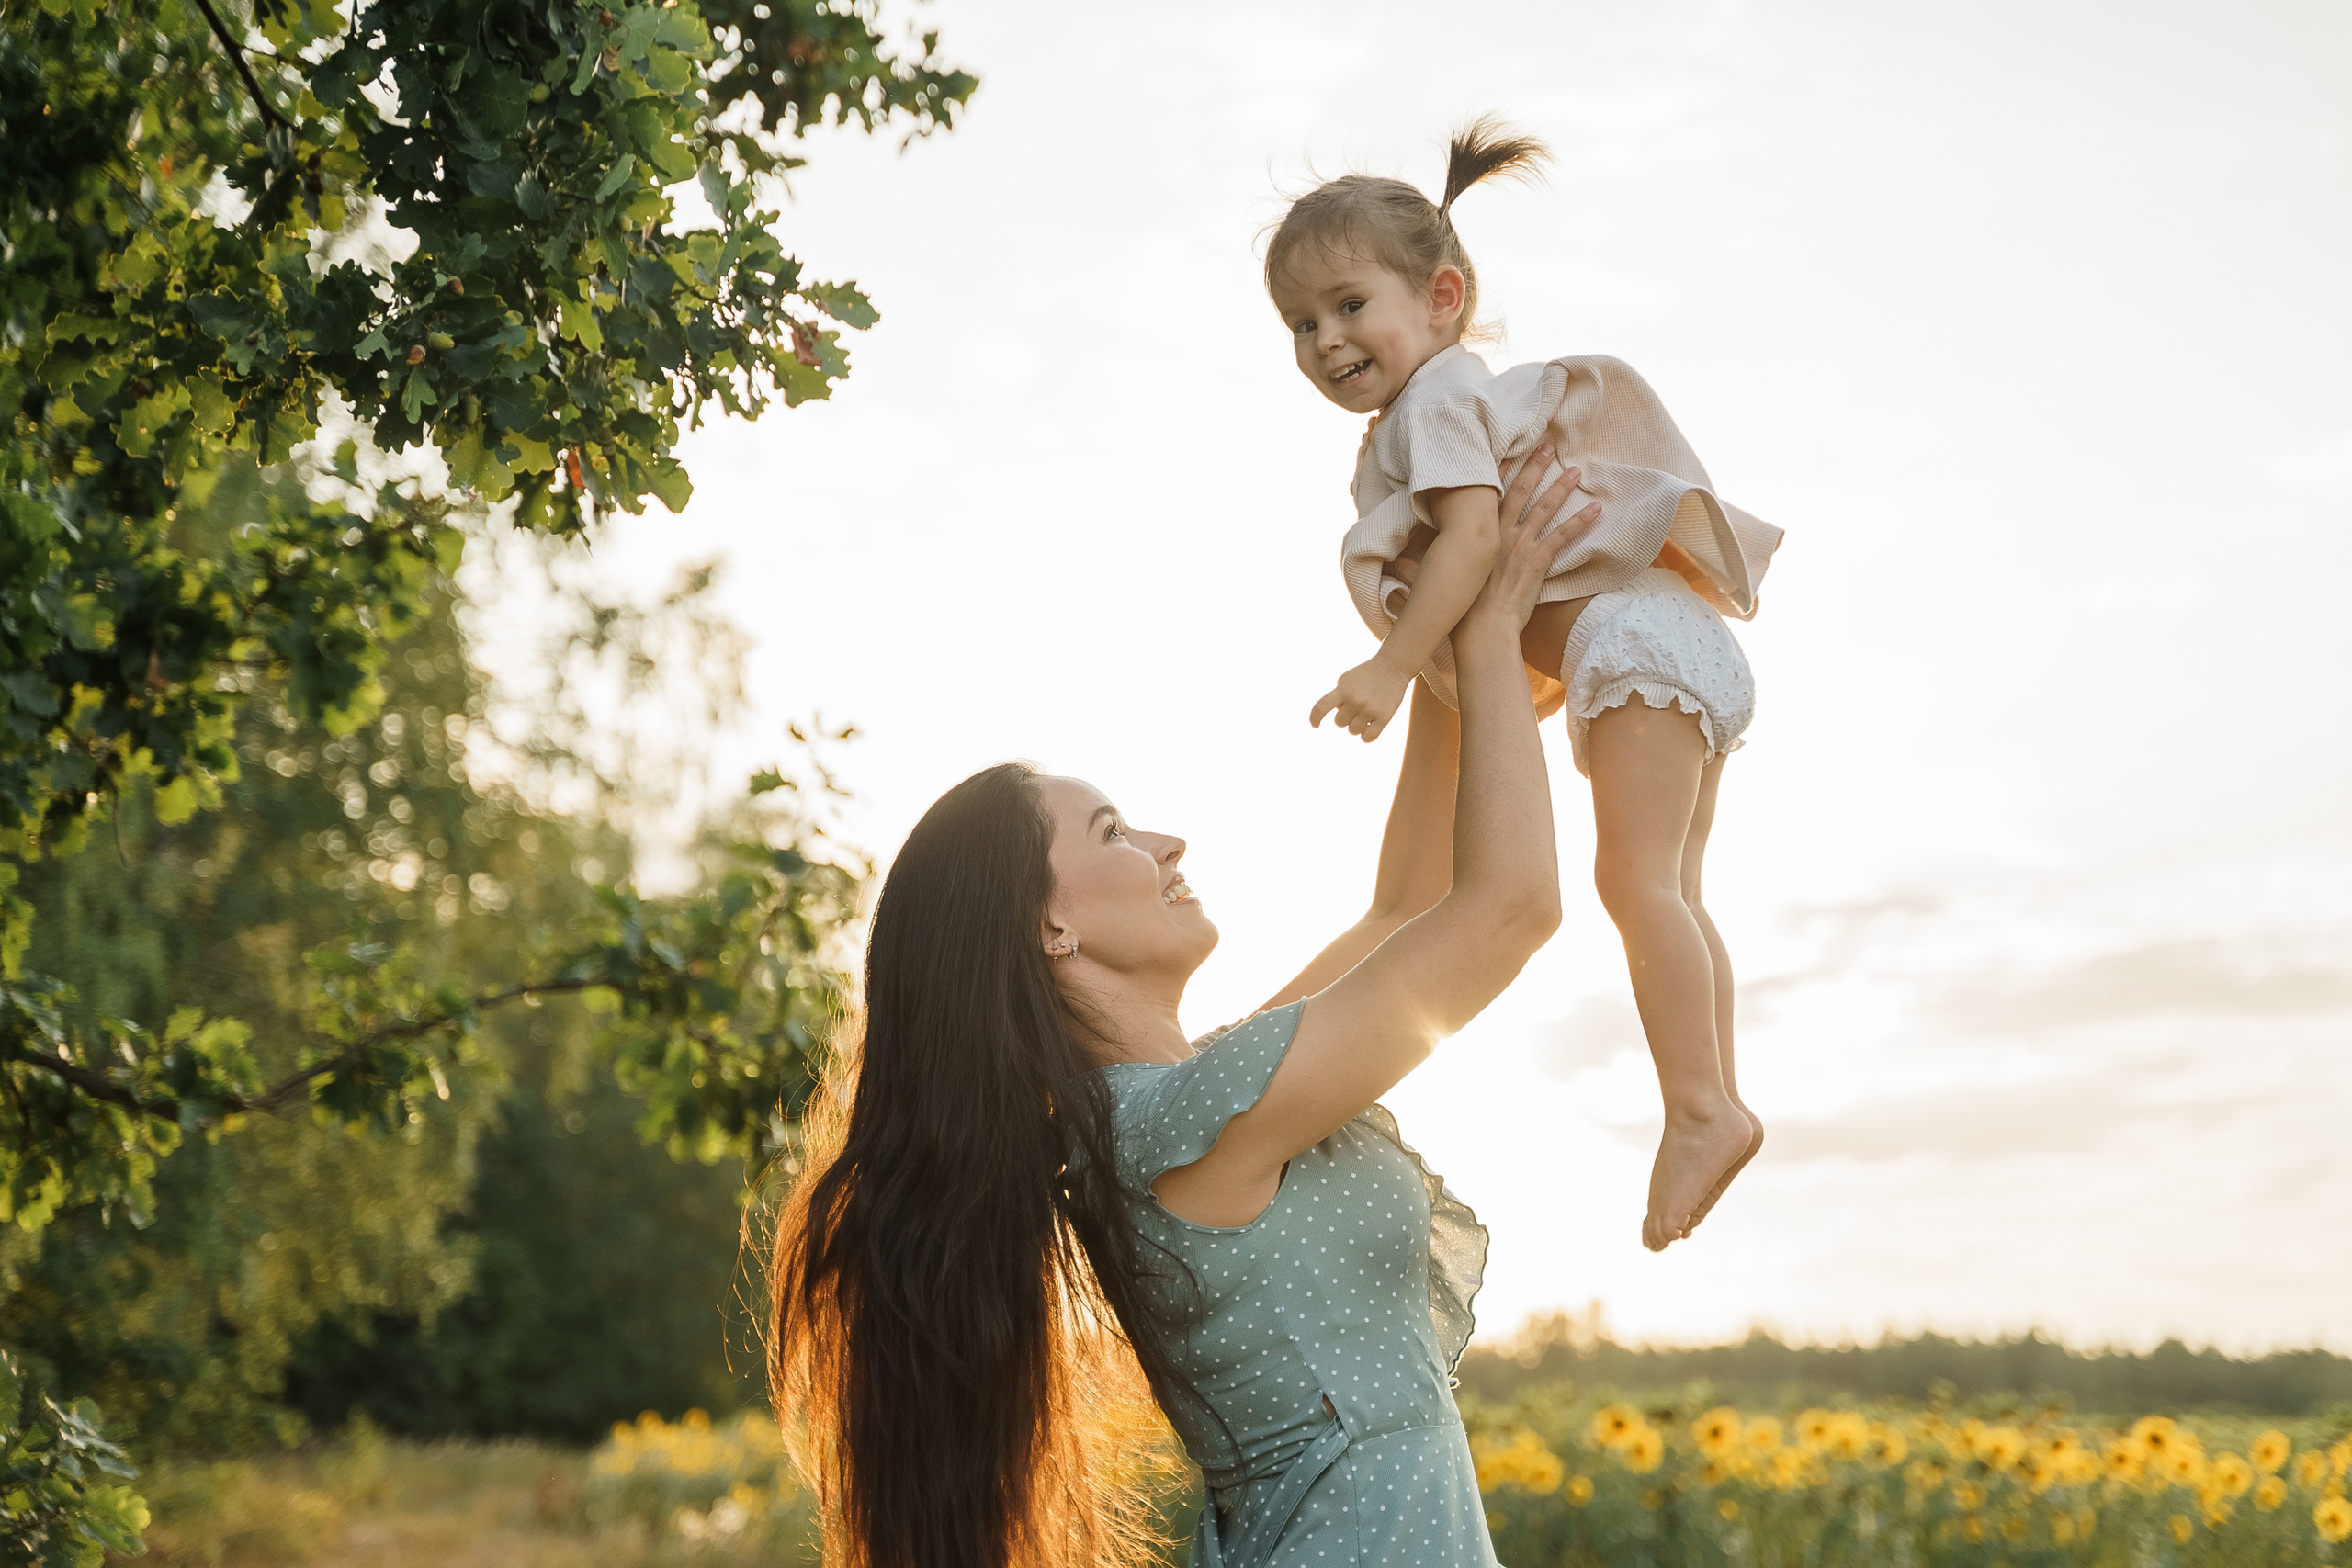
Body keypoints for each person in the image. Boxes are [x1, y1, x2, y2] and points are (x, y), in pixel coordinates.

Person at [768, 457, 1591, 1568]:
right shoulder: (1187, 1124)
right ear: (1046, 930)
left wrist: (1439, 631)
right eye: (1111, 832)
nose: (1167, 843)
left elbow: (1412, 906)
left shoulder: (1196, 1100)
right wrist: (1492, 630)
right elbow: (1506, 911)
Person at [1269, 117, 1784, 1250]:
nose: (1323, 339)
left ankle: (1703, 1107)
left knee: (1639, 887)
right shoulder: (1431, 413)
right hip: (1668, 648)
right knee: (1670, 894)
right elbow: (1403, 901)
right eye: (1300, 324)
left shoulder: (1438, 404)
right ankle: (1709, 1098)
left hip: (1635, 645)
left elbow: (1468, 547)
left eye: (1349, 305)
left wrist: (1392, 666)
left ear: (1441, 297)